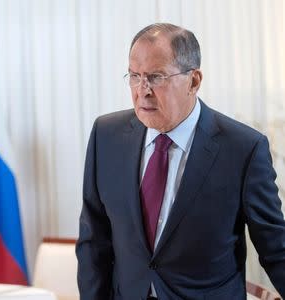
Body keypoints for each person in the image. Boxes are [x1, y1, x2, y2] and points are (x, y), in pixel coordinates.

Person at [76, 23, 285, 300]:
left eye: (156, 77)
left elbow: (275, 249)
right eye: (135, 76)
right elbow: (94, 240)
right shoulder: (106, 135)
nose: (143, 90)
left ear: (194, 81)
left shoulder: (243, 149)